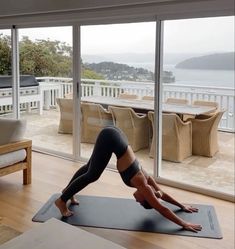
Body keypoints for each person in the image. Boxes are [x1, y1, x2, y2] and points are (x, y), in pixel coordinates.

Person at [55, 126, 202, 233]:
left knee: (90, 168)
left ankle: (68, 192)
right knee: (93, 174)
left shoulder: (146, 179)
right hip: (111, 137)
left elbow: (162, 194)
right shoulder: (142, 184)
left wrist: (182, 206)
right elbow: (162, 208)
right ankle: (62, 201)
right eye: (140, 202)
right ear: (146, 197)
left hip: (115, 135)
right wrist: (184, 223)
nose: (137, 201)